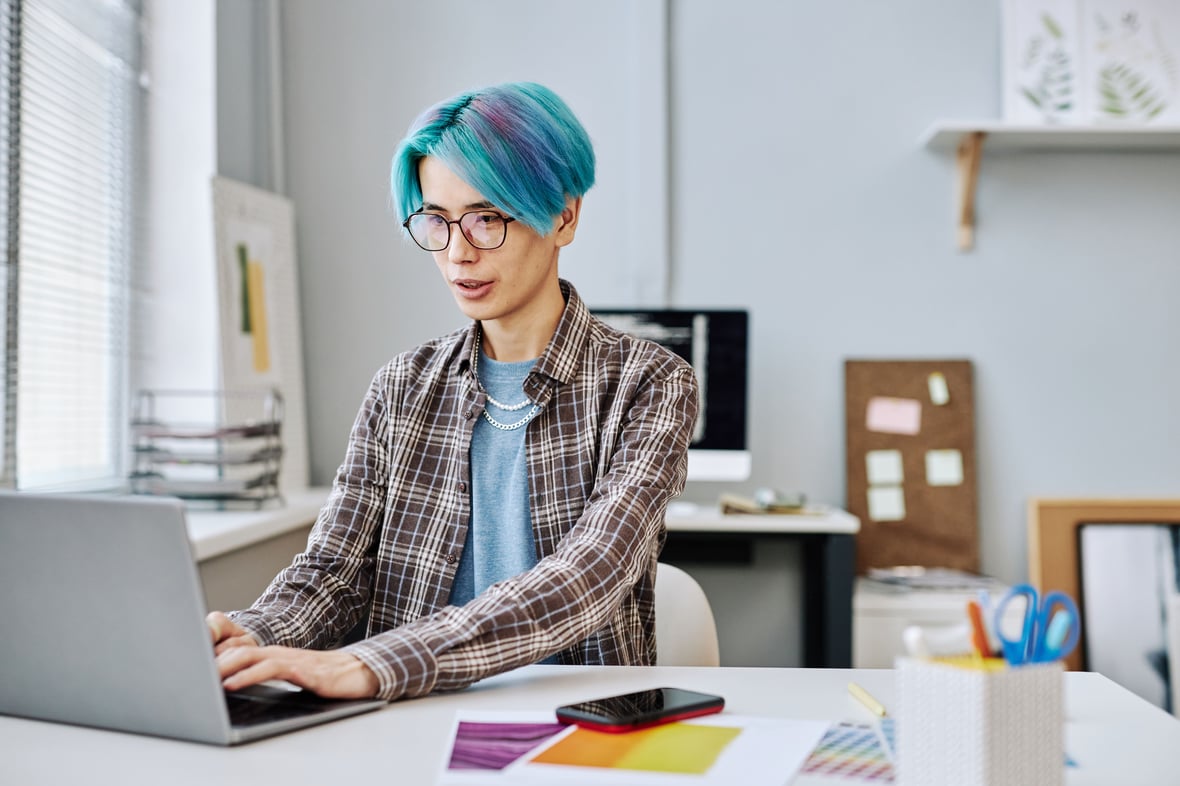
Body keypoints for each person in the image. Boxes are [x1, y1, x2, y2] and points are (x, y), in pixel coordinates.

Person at [208, 82, 700, 702]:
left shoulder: (650, 381)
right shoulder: (402, 386)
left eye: (487, 218)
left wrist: (374, 664)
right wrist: (246, 639)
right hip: (408, 718)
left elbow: (588, 577)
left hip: (582, 726)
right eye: (436, 222)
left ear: (564, 217)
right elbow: (333, 574)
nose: (458, 253)